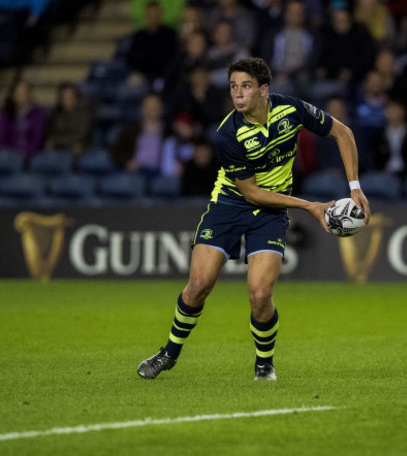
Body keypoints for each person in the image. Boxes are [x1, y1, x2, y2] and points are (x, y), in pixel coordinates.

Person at [137, 58, 370, 381]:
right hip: (229, 205)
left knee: (260, 295)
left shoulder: (292, 110)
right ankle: (169, 353)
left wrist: (354, 186)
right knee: (200, 285)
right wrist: (310, 206)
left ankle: (264, 363)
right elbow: (252, 193)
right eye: (233, 87)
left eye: (245, 86)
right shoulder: (228, 133)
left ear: (264, 90)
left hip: (271, 214)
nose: (238, 93)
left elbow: (343, 134)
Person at [0, 80, 46, 163]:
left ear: (29, 94)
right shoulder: (5, 113)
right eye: (18, 93)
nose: (21, 96)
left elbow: (38, 137)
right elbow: (1, 138)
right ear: (13, 95)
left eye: (24, 93)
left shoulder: (37, 113)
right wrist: (14, 154)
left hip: (32, 157)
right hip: (9, 157)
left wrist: (27, 153)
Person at [44, 82, 93, 158]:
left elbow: (80, 135)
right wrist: (55, 141)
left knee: (77, 147)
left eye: (69, 95)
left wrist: (58, 141)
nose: (67, 98)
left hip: (77, 146)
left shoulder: (84, 113)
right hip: (59, 146)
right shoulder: (56, 113)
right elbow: (51, 132)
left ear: (75, 97)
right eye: (64, 95)